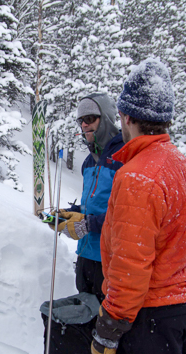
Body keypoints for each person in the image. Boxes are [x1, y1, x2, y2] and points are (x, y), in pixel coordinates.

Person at [90, 58, 186, 354]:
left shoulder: (137, 176)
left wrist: (108, 328)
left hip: (149, 318)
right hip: (180, 309)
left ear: (127, 116)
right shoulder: (180, 165)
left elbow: (131, 264)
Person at [52, 93, 124, 303]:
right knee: (84, 323)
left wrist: (90, 223)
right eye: (81, 120)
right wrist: (71, 215)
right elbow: (93, 205)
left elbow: (127, 216)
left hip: (110, 261)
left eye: (90, 118)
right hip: (85, 257)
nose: (84, 125)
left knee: (104, 324)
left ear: (106, 118)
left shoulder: (124, 157)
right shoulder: (89, 162)